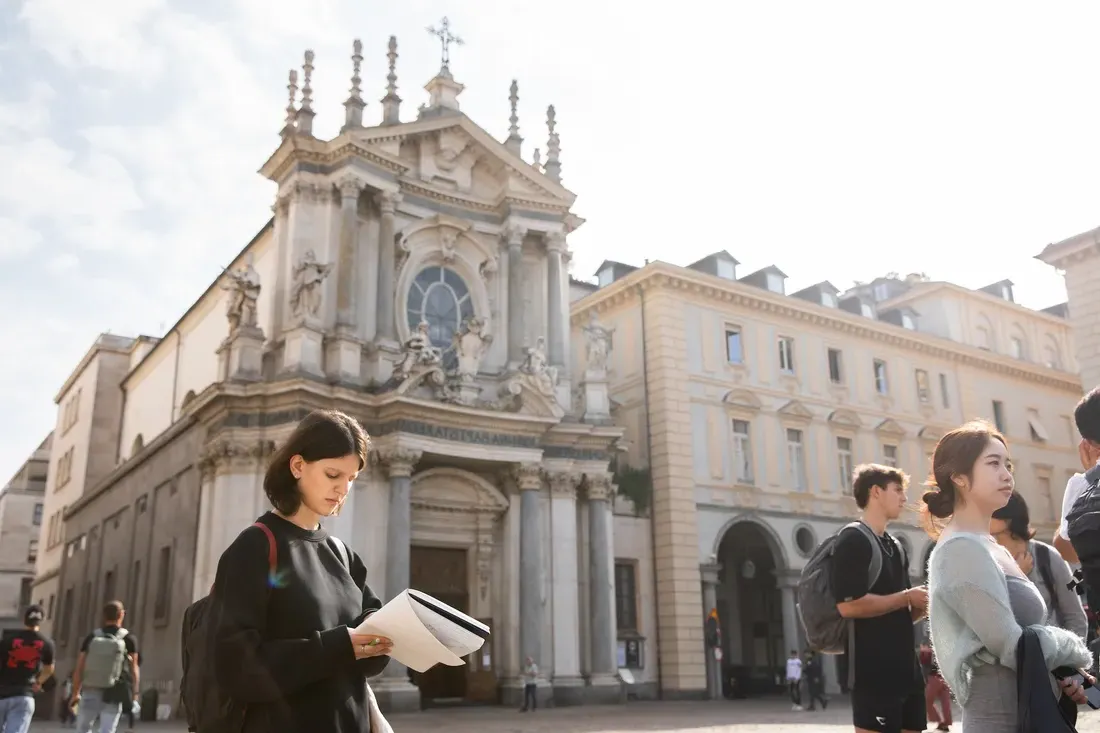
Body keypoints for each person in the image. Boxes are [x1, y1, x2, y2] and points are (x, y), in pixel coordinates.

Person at [211, 409, 392, 733]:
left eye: (351, 479)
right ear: (297, 466)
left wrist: (382, 641)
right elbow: (236, 668)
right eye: (333, 474)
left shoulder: (344, 556)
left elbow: (369, 650)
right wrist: (340, 646)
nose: (343, 489)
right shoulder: (256, 547)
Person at [924, 420, 1092, 733]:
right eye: (993, 463)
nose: (1006, 474)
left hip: (1030, 713)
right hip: (999, 722)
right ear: (959, 477)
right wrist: (1074, 650)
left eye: (1008, 464)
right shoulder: (960, 549)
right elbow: (1010, 644)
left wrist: (1067, 674)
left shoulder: (988, 545)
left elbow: (1028, 640)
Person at [832, 463, 928, 733]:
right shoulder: (852, 540)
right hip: (873, 675)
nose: (904, 498)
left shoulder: (895, 545)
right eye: (897, 490)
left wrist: (923, 604)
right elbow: (848, 605)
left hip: (907, 672)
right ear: (876, 492)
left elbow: (902, 611)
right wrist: (906, 596)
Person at [991, 490, 1087, 639]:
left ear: (1011, 523)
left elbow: (1076, 617)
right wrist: (1016, 577)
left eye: (998, 534)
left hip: (1056, 656)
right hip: (1012, 658)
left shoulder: (1048, 557)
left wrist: (1071, 659)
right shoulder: (989, 561)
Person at [71, 600, 138, 733]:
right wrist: (134, 693)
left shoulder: (92, 637)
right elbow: (134, 669)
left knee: (83, 729)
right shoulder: (128, 639)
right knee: (108, 730)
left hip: (90, 689)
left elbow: (80, 667)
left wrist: (75, 693)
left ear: (104, 616)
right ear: (121, 615)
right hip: (114, 691)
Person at [0, 605, 55, 733]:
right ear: (41, 621)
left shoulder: (7, 640)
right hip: (24, 695)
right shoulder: (47, 643)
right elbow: (49, 668)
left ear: (24, 620)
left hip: (2, 693)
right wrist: (38, 682)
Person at [919, 642, 951, 732]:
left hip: (933, 678)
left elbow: (924, 666)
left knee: (927, 701)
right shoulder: (944, 648)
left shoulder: (926, 652)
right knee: (945, 702)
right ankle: (946, 722)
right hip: (944, 677)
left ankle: (939, 721)